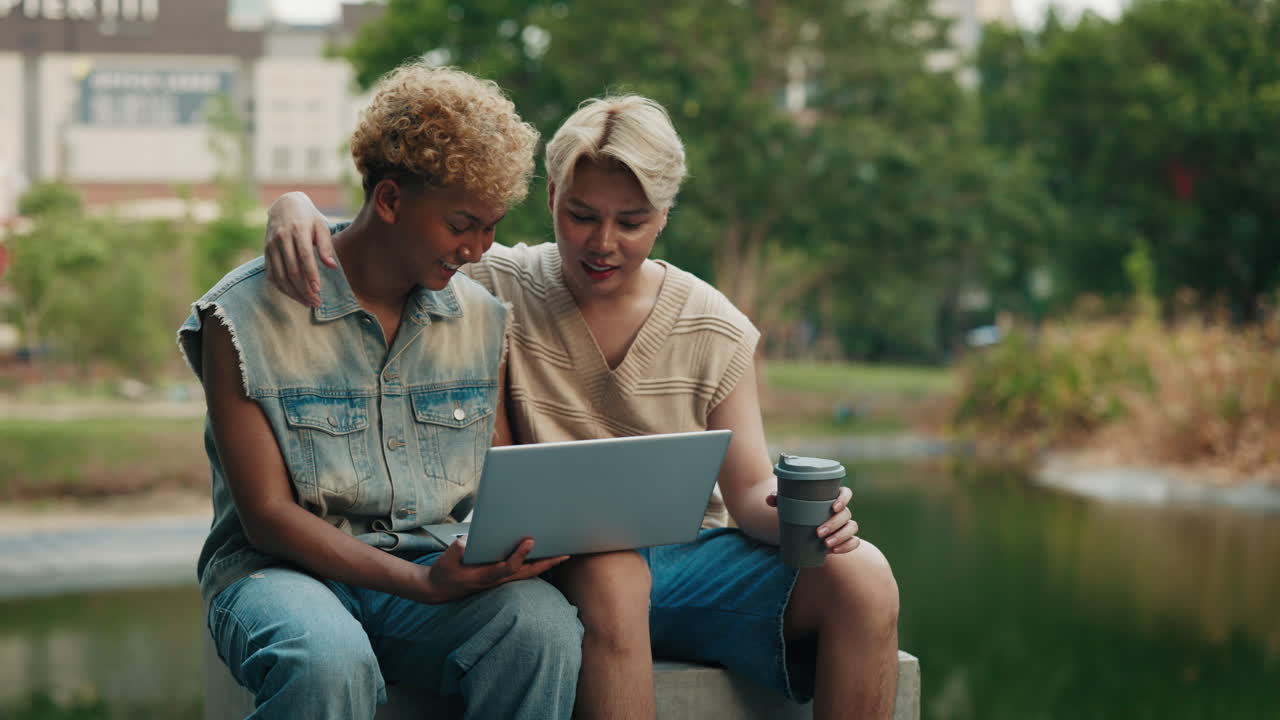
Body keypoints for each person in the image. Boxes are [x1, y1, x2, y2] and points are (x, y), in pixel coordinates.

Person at [264, 95, 902, 720]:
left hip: (689, 566)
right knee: (614, 573)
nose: (603, 243)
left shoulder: (713, 325)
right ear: (549, 202)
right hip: (560, 564)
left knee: (864, 574)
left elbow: (750, 491)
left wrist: (805, 516)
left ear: (663, 217)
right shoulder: (493, 283)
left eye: (631, 222)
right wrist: (295, 206)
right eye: (581, 215)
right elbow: (396, 232)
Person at [178, 62, 584, 720]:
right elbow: (267, 519)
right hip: (277, 576)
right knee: (325, 661)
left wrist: (500, 550)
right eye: (462, 224)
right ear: (391, 200)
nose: (479, 249)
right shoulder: (245, 314)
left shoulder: (482, 319)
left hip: (432, 568)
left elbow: (496, 480)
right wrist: (421, 584)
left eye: (491, 226)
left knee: (542, 632)